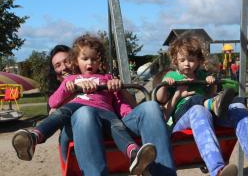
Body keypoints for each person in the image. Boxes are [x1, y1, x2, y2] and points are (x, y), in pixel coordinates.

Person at [19, 39, 176, 175]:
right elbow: (53, 103)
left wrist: (119, 90)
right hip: (81, 117)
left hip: (106, 114)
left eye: (93, 59)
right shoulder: (72, 81)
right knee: (79, 113)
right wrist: (71, 87)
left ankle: (139, 158)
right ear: (77, 61)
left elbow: (120, 105)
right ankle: (34, 137)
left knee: (148, 108)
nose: (89, 63)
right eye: (85, 58)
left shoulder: (107, 79)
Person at [156, 32, 248, 176]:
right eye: (182, 60)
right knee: (197, 105)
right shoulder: (172, 76)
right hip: (183, 115)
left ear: (199, 61)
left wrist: (211, 84)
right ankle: (217, 170)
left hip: (206, 111)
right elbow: (160, 99)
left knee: (238, 109)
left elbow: (212, 94)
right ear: (176, 60)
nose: (187, 63)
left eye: (191, 60)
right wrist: (165, 85)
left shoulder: (201, 76)